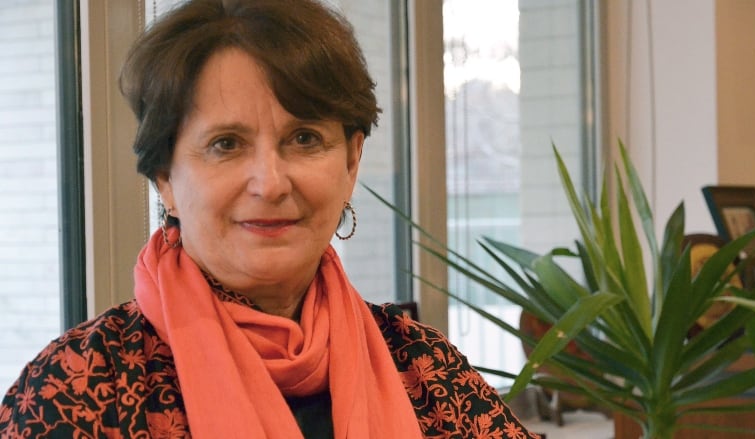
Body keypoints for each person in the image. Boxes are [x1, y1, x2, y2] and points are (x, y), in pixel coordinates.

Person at [0, 0, 539, 437]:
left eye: (304, 139)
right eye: (225, 144)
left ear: (351, 161)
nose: (271, 182)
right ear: (164, 177)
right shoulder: (80, 387)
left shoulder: (424, 367)